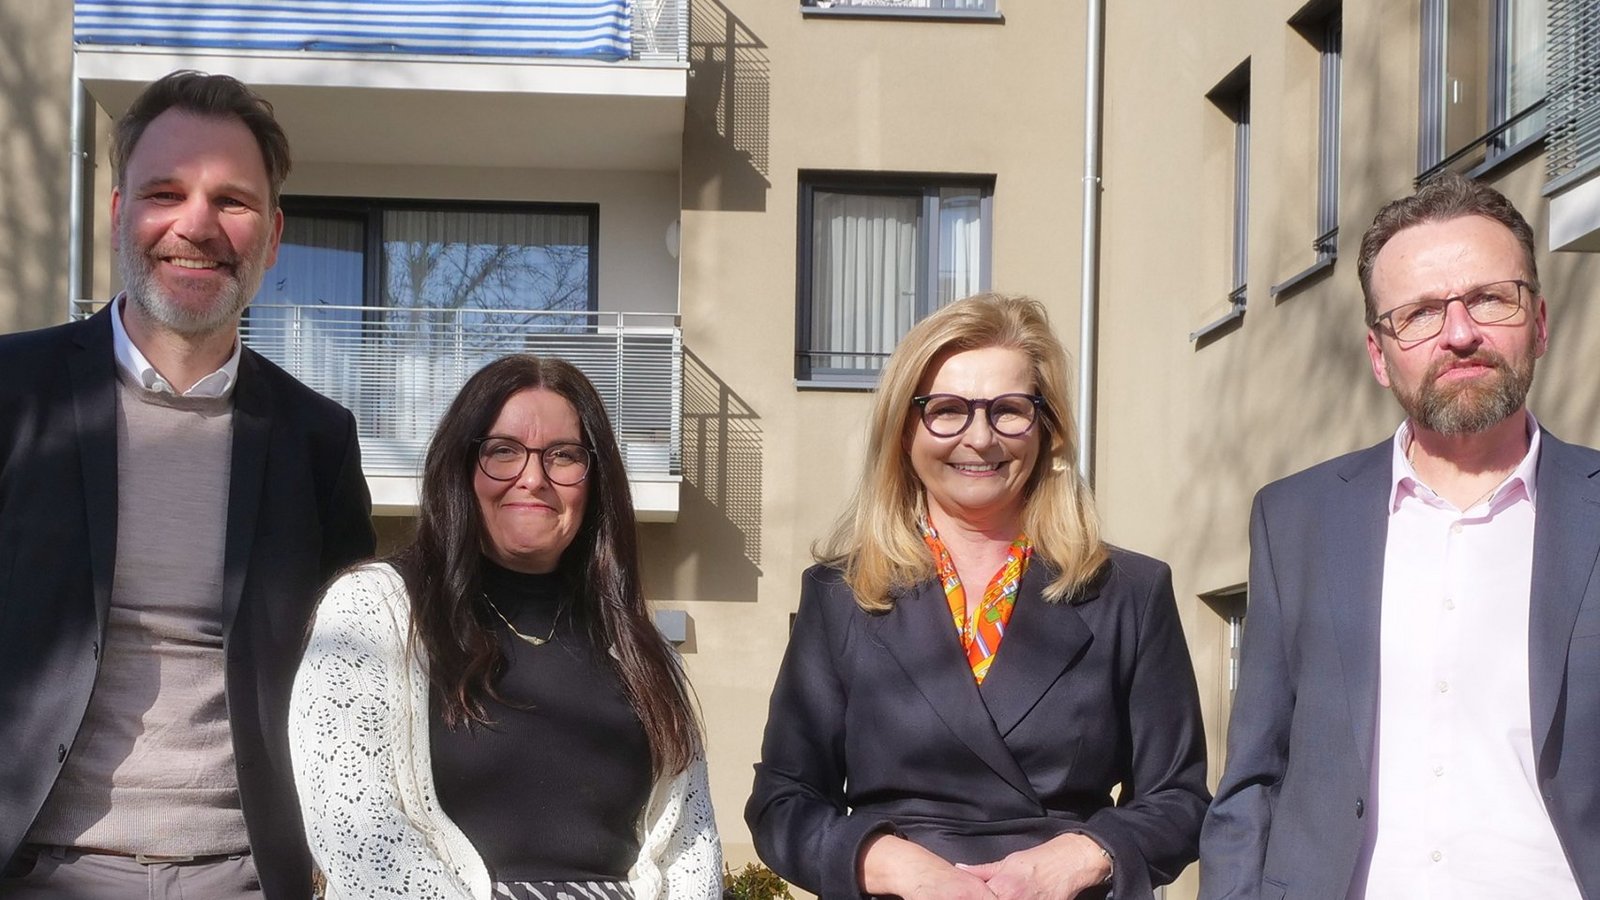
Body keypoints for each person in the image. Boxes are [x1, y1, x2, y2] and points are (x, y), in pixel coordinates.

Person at [0, 70, 376, 898]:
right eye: (165, 191)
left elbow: (352, 683)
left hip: (243, 877)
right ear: (116, 213)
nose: (196, 225)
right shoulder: (11, 395)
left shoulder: (318, 441)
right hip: (34, 869)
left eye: (232, 201)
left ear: (273, 237)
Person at [1200, 173, 1600, 899]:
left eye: (1489, 298)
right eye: (1417, 313)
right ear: (1379, 354)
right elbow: (1254, 778)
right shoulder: (1296, 521)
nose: (1459, 333)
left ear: (1539, 321)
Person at [746, 293, 1209, 900]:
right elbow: (784, 802)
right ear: (904, 430)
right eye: (948, 410)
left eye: (1009, 410)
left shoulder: (1130, 593)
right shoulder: (840, 597)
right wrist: (901, 868)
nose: (981, 437)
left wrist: (1073, 859)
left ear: (1047, 428)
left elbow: (1180, 798)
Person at [289, 354, 722, 899]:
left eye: (563, 456)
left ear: (595, 479)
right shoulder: (373, 612)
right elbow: (352, 821)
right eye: (503, 452)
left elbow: (691, 841)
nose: (534, 479)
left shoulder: (641, 645)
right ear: (462, 467)